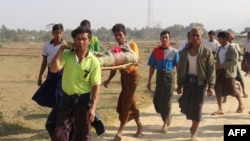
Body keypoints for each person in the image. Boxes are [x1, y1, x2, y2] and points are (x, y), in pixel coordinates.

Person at [50, 26, 101, 141]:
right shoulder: (67, 55)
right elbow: (53, 69)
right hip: (66, 100)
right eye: (77, 39)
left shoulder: (93, 62)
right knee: (59, 135)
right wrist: (62, 48)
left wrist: (93, 108)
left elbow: (96, 86)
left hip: (84, 102)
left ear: (89, 40)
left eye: (84, 39)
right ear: (74, 40)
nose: (81, 42)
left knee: (82, 136)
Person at [103, 23, 143, 141]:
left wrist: (124, 63)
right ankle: (140, 126)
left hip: (133, 77)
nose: (118, 37)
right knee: (130, 103)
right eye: (116, 35)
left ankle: (120, 131)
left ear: (124, 34)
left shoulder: (132, 45)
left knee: (125, 103)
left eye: (120, 35)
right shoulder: (116, 50)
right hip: (124, 78)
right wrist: (108, 80)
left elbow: (134, 60)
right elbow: (114, 68)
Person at [176, 26, 216, 141]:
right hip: (187, 82)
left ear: (201, 37)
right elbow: (179, 68)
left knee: (197, 107)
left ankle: (194, 132)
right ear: (189, 37)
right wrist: (179, 84)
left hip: (200, 83)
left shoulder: (206, 51)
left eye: (197, 35)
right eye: (192, 35)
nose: (194, 37)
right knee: (186, 104)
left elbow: (211, 69)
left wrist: (211, 86)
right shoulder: (184, 52)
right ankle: (194, 125)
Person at [32, 23, 64, 137]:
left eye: (60, 33)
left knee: (59, 96)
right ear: (52, 33)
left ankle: (57, 122)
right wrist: (40, 76)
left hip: (62, 74)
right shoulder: (47, 46)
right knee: (48, 94)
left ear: (62, 33)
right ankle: (55, 119)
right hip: (51, 73)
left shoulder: (66, 46)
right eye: (56, 33)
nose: (58, 35)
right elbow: (44, 62)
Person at [147, 30, 179, 133]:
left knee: (167, 100)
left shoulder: (174, 52)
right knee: (157, 100)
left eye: (166, 37)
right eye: (163, 37)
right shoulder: (155, 51)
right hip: (159, 75)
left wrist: (179, 82)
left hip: (169, 75)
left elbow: (178, 67)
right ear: (160, 39)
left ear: (169, 39)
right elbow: (152, 66)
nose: (164, 39)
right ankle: (168, 115)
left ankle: (165, 123)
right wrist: (149, 81)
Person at [80, 19, 105, 136]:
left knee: (88, 98)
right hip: (80, 69)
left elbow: (97, 52)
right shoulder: (79, 39)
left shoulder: (94, 39)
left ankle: (96, 122)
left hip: (91, 68)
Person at [212, 31, 244, 116]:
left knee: (232, 90)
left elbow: (234, 61)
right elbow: (219, 59)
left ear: (225, 39)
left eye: (220, 38)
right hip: (219, 72)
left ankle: (241, 104)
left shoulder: (231, 48)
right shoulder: (219, 48)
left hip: (228, 72)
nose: (218, 39)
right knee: (217, 89)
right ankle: (220, 109)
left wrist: (222, 65)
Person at [222, 33, 248, 103]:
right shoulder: (224, 46)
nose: (227, 39)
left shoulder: (235, 45)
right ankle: (224, 97)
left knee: (240, 78)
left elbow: (239, 52)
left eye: (229, 37)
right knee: (225, 80)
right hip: (226, 65)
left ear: (232, 38)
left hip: (234, 65)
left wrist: (241, 57)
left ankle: (244, 91)